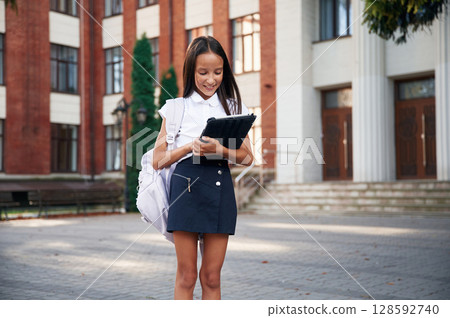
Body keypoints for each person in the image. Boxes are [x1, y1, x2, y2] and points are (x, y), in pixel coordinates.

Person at [152, 36, 254, 300]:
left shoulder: (233, 107)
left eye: (218, 72)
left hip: (220, 191)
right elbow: (158, 159)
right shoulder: (176, 108)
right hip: (185, 190)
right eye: (203, 72)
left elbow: (247, 157)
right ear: (191, 71)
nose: (211, 79)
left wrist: (219, 151)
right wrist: (189, 148)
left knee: (211, 277)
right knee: (186, 276)